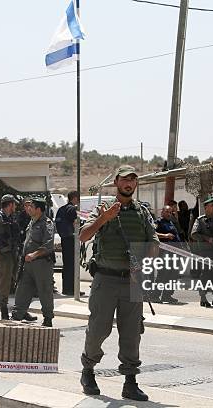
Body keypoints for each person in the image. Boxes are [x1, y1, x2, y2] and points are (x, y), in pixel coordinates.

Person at [79, 165, 158, 401]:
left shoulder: (142, 213)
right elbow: (83, 235)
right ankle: (88, 371)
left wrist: (144, 260)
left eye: (133, 180)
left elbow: (153, 243)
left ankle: (130, 382)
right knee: (99, 328)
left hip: (132, 281)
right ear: (116, 183)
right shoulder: (102, 209)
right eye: (125, 179)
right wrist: (104, 218)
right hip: (106, 279)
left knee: (132, 333)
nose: (129, 183)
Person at [11, 197, 55, 326]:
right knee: (23, 289)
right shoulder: (32, 222)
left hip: (41, 264)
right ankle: (17, 315)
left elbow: (48, 244)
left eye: (32, 206)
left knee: (44, 291)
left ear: (39, 209)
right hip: (28, 264)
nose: (28, 208)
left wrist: (35, 254)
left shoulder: (47, 223)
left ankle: (48, 318)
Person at [191, 196, 213, 307]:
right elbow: (194, 234)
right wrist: (207, 238)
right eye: (212, 206)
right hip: (206, 252)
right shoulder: (200, 220)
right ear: (206, 207)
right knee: (206, 274)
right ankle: (203, 297)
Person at [152, 205, 182, 304]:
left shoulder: (171, 222)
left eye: (170, 212)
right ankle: (155, 295)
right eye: (167, 212)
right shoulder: (158, 222)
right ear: (162, 212)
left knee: (173, 275)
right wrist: (165, 235)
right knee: (163, 274)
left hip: (175, 253)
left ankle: (167, 295)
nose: (169, 214)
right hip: (164, 252)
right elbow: (152, 233)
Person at [55, 191, 80, 296]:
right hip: (71, 239)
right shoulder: (72, 209)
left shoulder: (61, 209)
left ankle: (66, 288)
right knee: (72, 264)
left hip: (64, 239)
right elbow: (76, 224)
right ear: (74, 198)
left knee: (66, 265)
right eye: (77, 198)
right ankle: (72, 289)